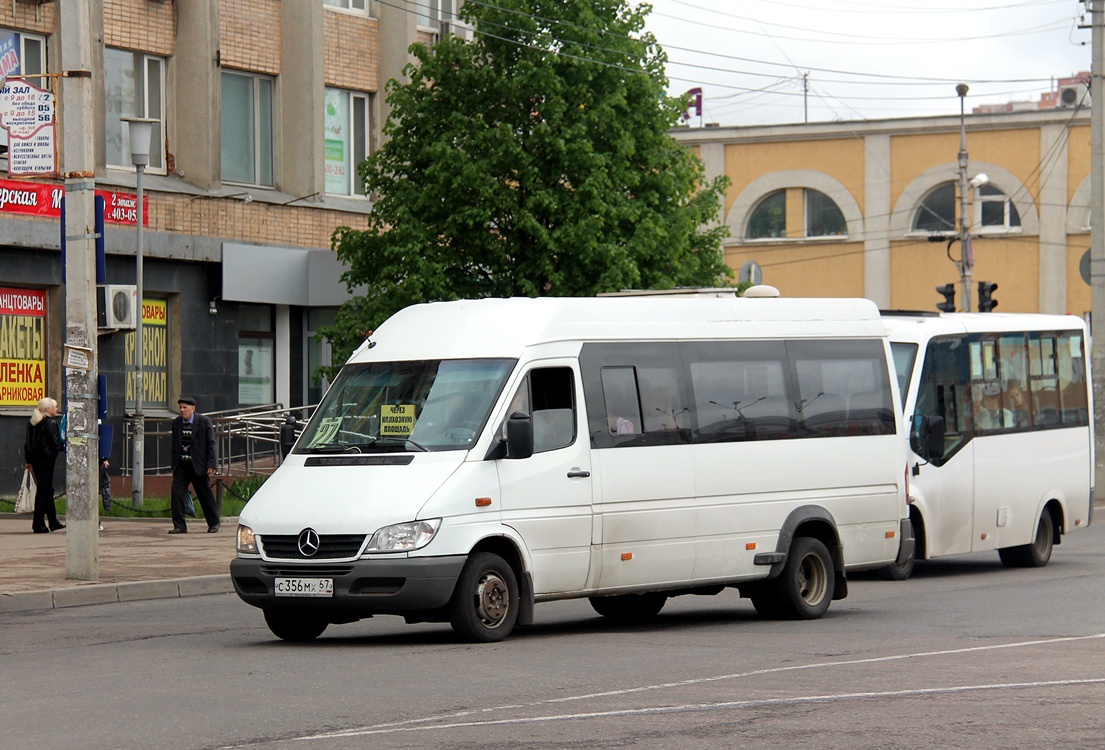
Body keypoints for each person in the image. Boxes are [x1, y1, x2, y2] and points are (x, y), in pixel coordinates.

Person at [170, 396, 220, 534]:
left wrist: (211, 464)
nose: (182, 410)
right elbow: (174, 445)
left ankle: (214, 523)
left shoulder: (204, 422)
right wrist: (173, 465)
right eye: (180, 407)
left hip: (198, 465)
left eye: (185, 407)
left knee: (205, 495)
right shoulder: (176, 423)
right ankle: (179, 526)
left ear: (193, 408)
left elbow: (211, 444)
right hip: (182, 465)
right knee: (177, 495)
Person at [23, 396, 65, 534]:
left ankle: (53, 522)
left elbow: (27, 444)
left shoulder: (33, 422)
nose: (56, 409)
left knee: (47, 490)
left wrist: (29, 461)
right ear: (48, 409)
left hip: (35, 461)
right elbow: (55, 443)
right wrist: (62, 445)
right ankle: (38, 524)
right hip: (47, 461)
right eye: (55, 406)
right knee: (43, 491)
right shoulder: (50, 424)